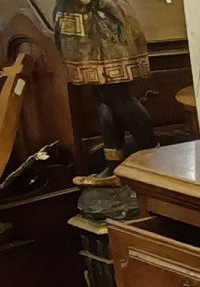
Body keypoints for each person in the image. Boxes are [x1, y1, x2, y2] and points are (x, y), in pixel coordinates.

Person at [53, 0, 157, 188]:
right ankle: (114, 165)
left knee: (117, 97)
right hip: (84, 25)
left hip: (105, 26)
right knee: (102, 98)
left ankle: (154, 158)